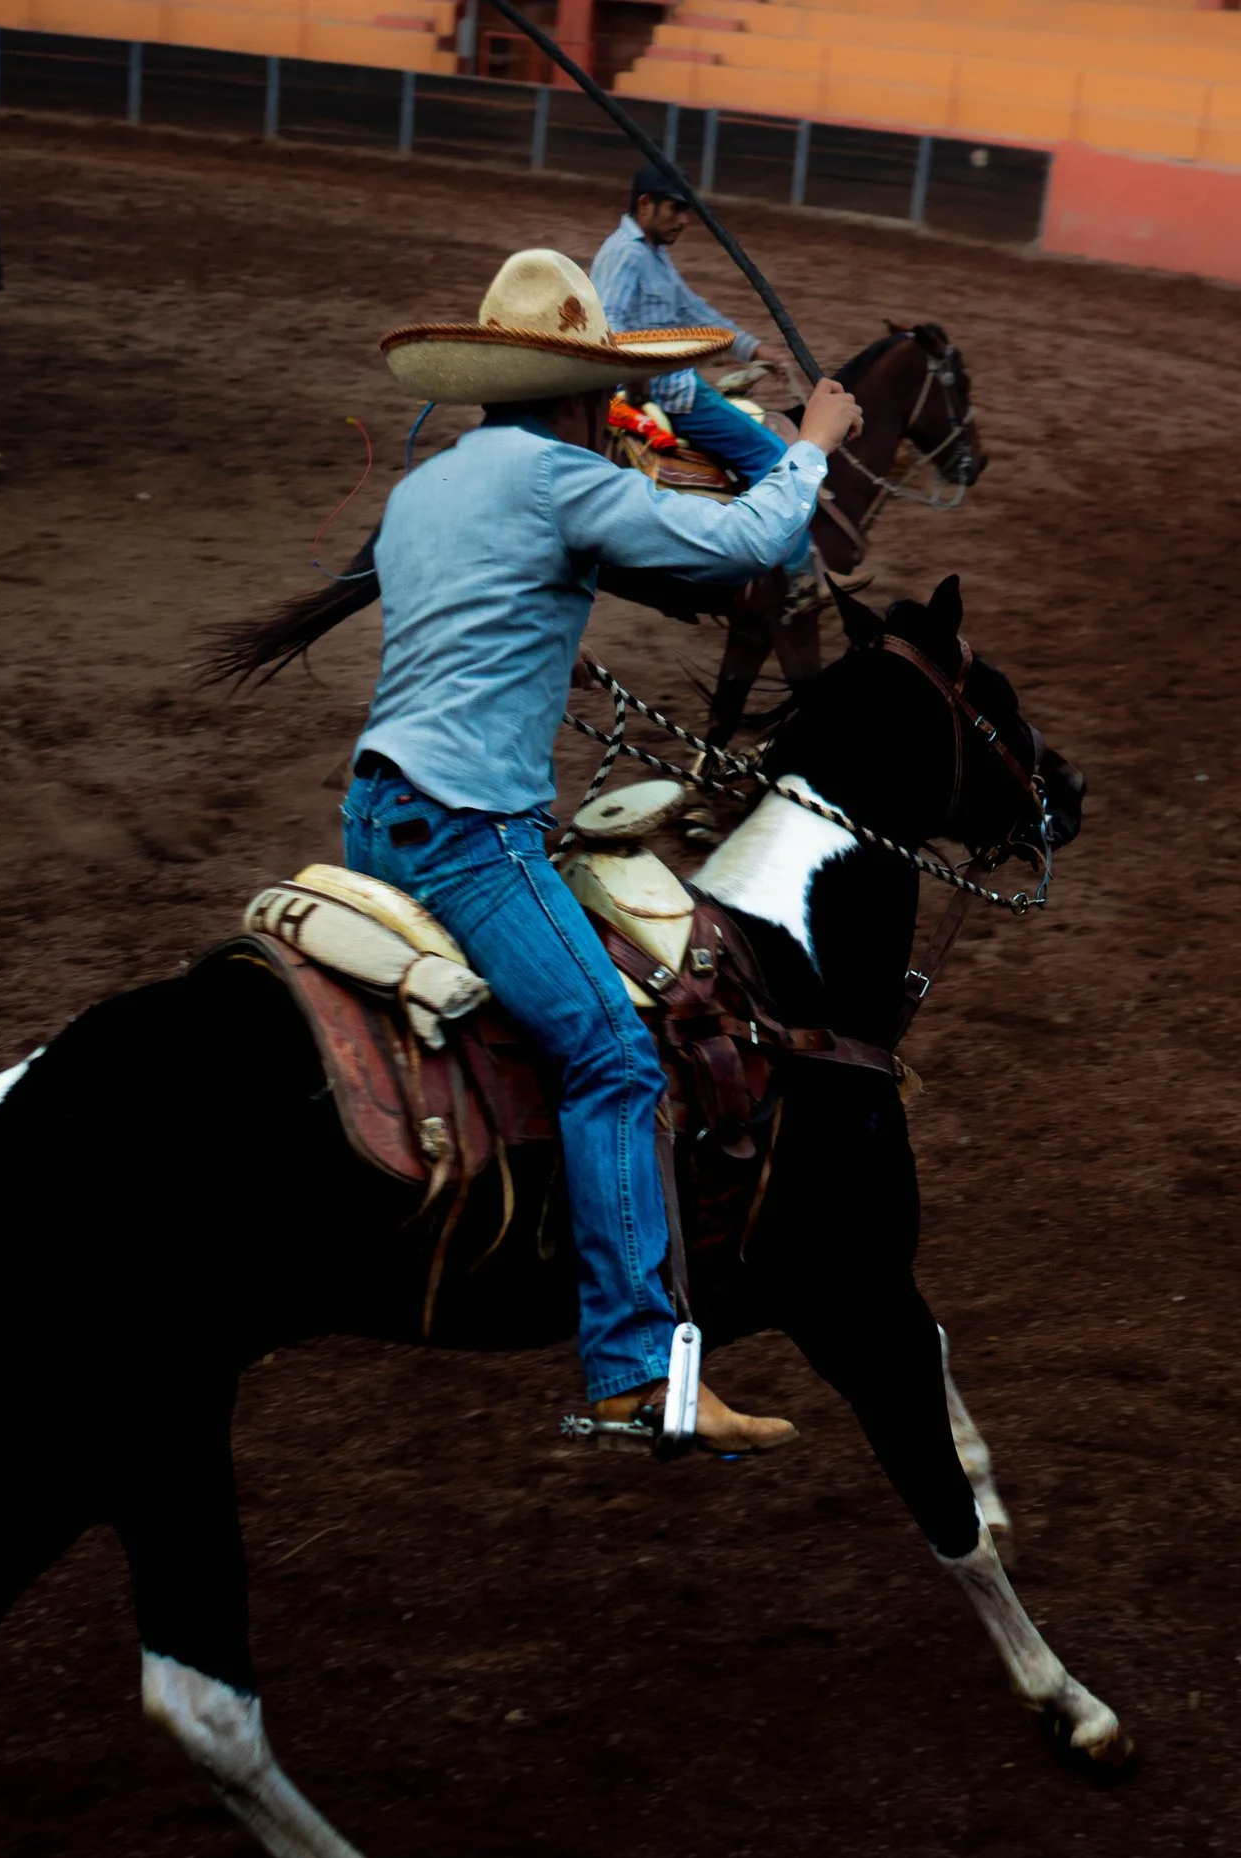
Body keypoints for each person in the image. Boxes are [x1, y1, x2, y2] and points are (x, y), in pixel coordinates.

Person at [355, 249, 863, 1451]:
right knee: (616, 1061)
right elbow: (753, 543)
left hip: (374, 813)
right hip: (469, 831)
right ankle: (635, 1368)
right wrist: (816, 440)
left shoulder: (428, 485)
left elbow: (468, 610)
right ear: (584, 394)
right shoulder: (552, 480)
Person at [590, 167, 809, 564]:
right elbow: (610, 325)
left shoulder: (652, 254)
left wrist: (753, 349)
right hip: (670, 393)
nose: (684, 220)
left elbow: (694, 311)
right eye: (676, 209)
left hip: (672, 383)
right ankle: (793, 573)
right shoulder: (626, 254)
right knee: (775, 457)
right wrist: (637, 374)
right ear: (645, 205)